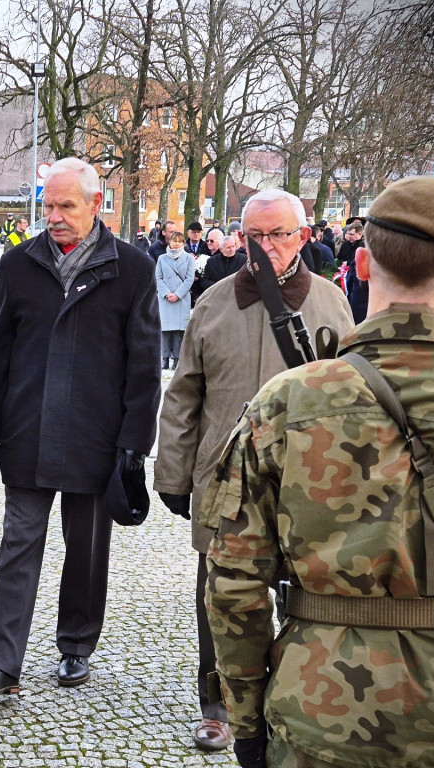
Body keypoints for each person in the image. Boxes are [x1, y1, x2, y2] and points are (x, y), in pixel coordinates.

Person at [205, 176, 434, 768]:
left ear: (360, 262)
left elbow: (234, 582)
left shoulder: (287, 401)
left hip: (314, 706)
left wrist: (247, 723)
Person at [153, 187, 354, 753]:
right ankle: (217, 706)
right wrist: (171, 475)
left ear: (304, 237)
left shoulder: (332, 305)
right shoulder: (212, 304)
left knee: (309, 593)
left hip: (308, 482)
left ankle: (300, 695)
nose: (265, 247)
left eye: (278, 234)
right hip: (224, 483)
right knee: (219, 597)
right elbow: (183, 396)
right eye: (254, 236)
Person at [0, 157, 161, 696]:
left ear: (96, 206)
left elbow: (143, 367)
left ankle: (76, 645)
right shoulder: (20, 262)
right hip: (28, 428)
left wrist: (133, 445)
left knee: (87, 549)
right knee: (18, 544)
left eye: (65, 206)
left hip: (96, 436)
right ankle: (1, 661)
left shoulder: (133, 269)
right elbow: (0, 346)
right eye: (47, 205)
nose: (52, 215)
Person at [156, 231, 195, 370]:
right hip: (165, 299)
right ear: (169, 242)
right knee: (165, 330)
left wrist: (177, 294)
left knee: (179, 330)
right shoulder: (162, 258)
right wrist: (166, 293)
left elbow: (189, 279)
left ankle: (177, 360)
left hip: (181, 298)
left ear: (183, 243)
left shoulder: (189, 258)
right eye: (174, 240)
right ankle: (165, 359)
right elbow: (158, 278)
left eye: (179, 241)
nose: (176, 243)